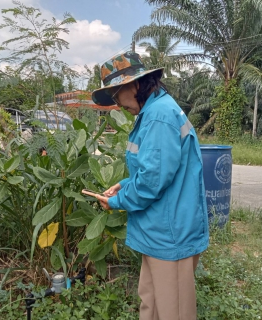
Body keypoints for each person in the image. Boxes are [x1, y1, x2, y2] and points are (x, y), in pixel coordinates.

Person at [91, 51, 209, 320]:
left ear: (133, 85)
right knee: (152, 303)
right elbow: (155, 168)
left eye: (115, 95)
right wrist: (124, 184)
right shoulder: (156, 111)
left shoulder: (157, 116)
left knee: (172, 311)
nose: (117, 104)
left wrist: (117, 201)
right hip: (160, 230)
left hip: (170, 232)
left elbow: (152, 181)